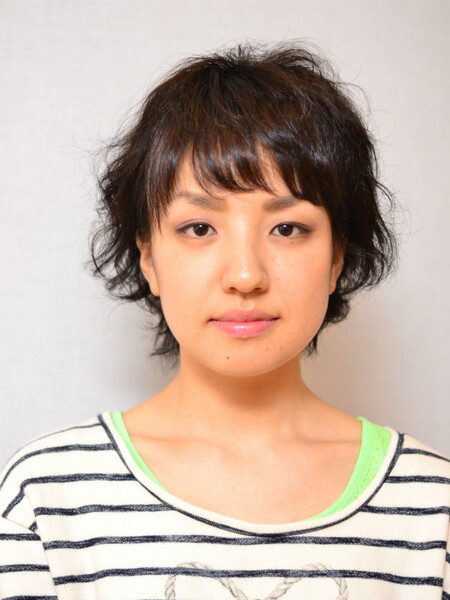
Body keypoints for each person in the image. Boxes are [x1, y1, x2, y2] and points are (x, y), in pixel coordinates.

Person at [0, 40, 448, 600]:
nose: (245, 275)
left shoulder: (433, 506)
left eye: (288, 228)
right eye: (199, 228)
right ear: (148, 258)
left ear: (337, 258)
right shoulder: (46, 497)